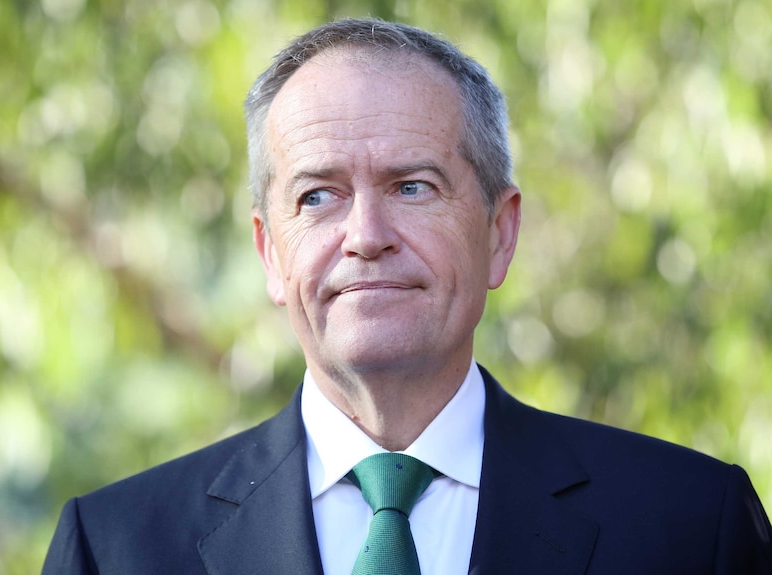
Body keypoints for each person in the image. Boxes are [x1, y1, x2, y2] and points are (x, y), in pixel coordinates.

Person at [42, 18, 772, 574]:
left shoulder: (690, 524)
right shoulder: (117, 547)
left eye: (412, 186)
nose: (365, 234)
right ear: (270, 251)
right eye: (319, 194)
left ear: (500, 231)